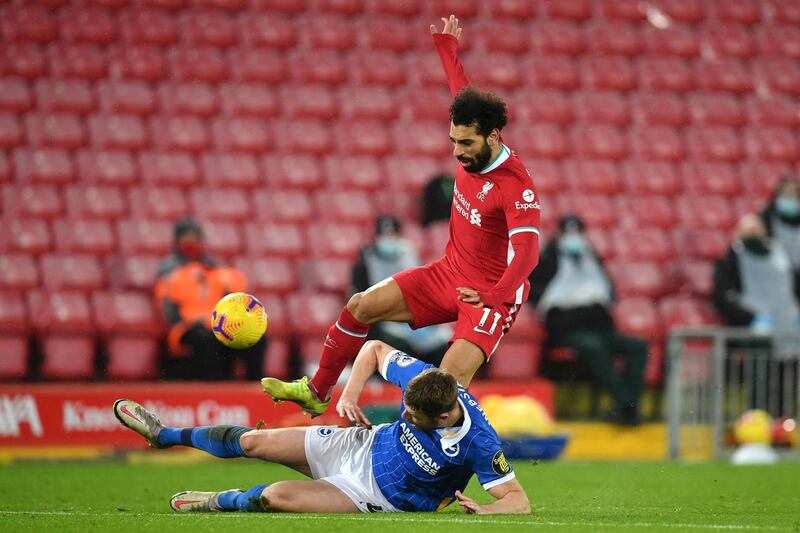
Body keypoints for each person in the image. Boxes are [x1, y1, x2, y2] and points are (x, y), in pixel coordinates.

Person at [262, 14, 540, 416]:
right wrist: (447, 49)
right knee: (359, 306)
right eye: (452, 141)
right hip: (449, 273)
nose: (457, 152)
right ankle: (317, 391)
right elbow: (460, 89)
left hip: (489, 298)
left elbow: (528, 255)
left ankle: (454, 473)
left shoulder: (515, 186)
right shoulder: (473, 129)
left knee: (441, 395)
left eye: (465, 143)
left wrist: (494, 296)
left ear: (493, 137)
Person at [113, 339, 531, 515]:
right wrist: (350, 393)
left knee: (274, 497)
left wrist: (487, 507)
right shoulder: (428, 383)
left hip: (373, 493)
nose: (404, 415)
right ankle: (162, 435)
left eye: (411, 417)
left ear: (442, 417)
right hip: (359, 445)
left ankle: (221, 502)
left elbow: (519, 500)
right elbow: (372, 348)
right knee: (254, 442)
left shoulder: (478, 441)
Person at [528, 215, 647, 426]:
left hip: (599, 326)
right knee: (593, 347)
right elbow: (539, 298)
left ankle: (624, 405)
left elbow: (608, 293)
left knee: (637, 346)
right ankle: (629, 405)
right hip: (568, 330)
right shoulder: (547, 261)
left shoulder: (591, 258)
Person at [155, 218, 266, 380]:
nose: (191, 243)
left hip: (218, 324)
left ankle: (255, 389)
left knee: (256, 338)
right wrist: (194, 322)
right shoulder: (170, 276)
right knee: (208, 340)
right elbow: (170, 313)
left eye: (195, 238)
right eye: (186, 238)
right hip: (189, 327)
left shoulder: (216, 272)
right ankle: (215, 391)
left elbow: (234, 302)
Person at [351, 215, 451, 366]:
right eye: (384, 235)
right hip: (383, 319)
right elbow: (361, 299)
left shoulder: (409, 253)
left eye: (392, 235)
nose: (388, 239)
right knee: (397, 346)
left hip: (410, 314)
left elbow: (423, 287)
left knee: (446, 342)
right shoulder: (365, 260)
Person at [713, 213, 800, 332]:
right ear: (740, 234)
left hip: (789, 323)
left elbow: (794, 283)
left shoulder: (779, 253)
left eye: (756, 230)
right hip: (752, 328)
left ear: (764, 231)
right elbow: (724, 295)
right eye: (749, 232)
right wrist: (749, 318)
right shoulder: (732, 259)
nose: (753, 235)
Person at [760, 176, 800, 273]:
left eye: (792, 195)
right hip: (776, 271)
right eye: (785, 195)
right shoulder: (767, 217)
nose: (788, 198)